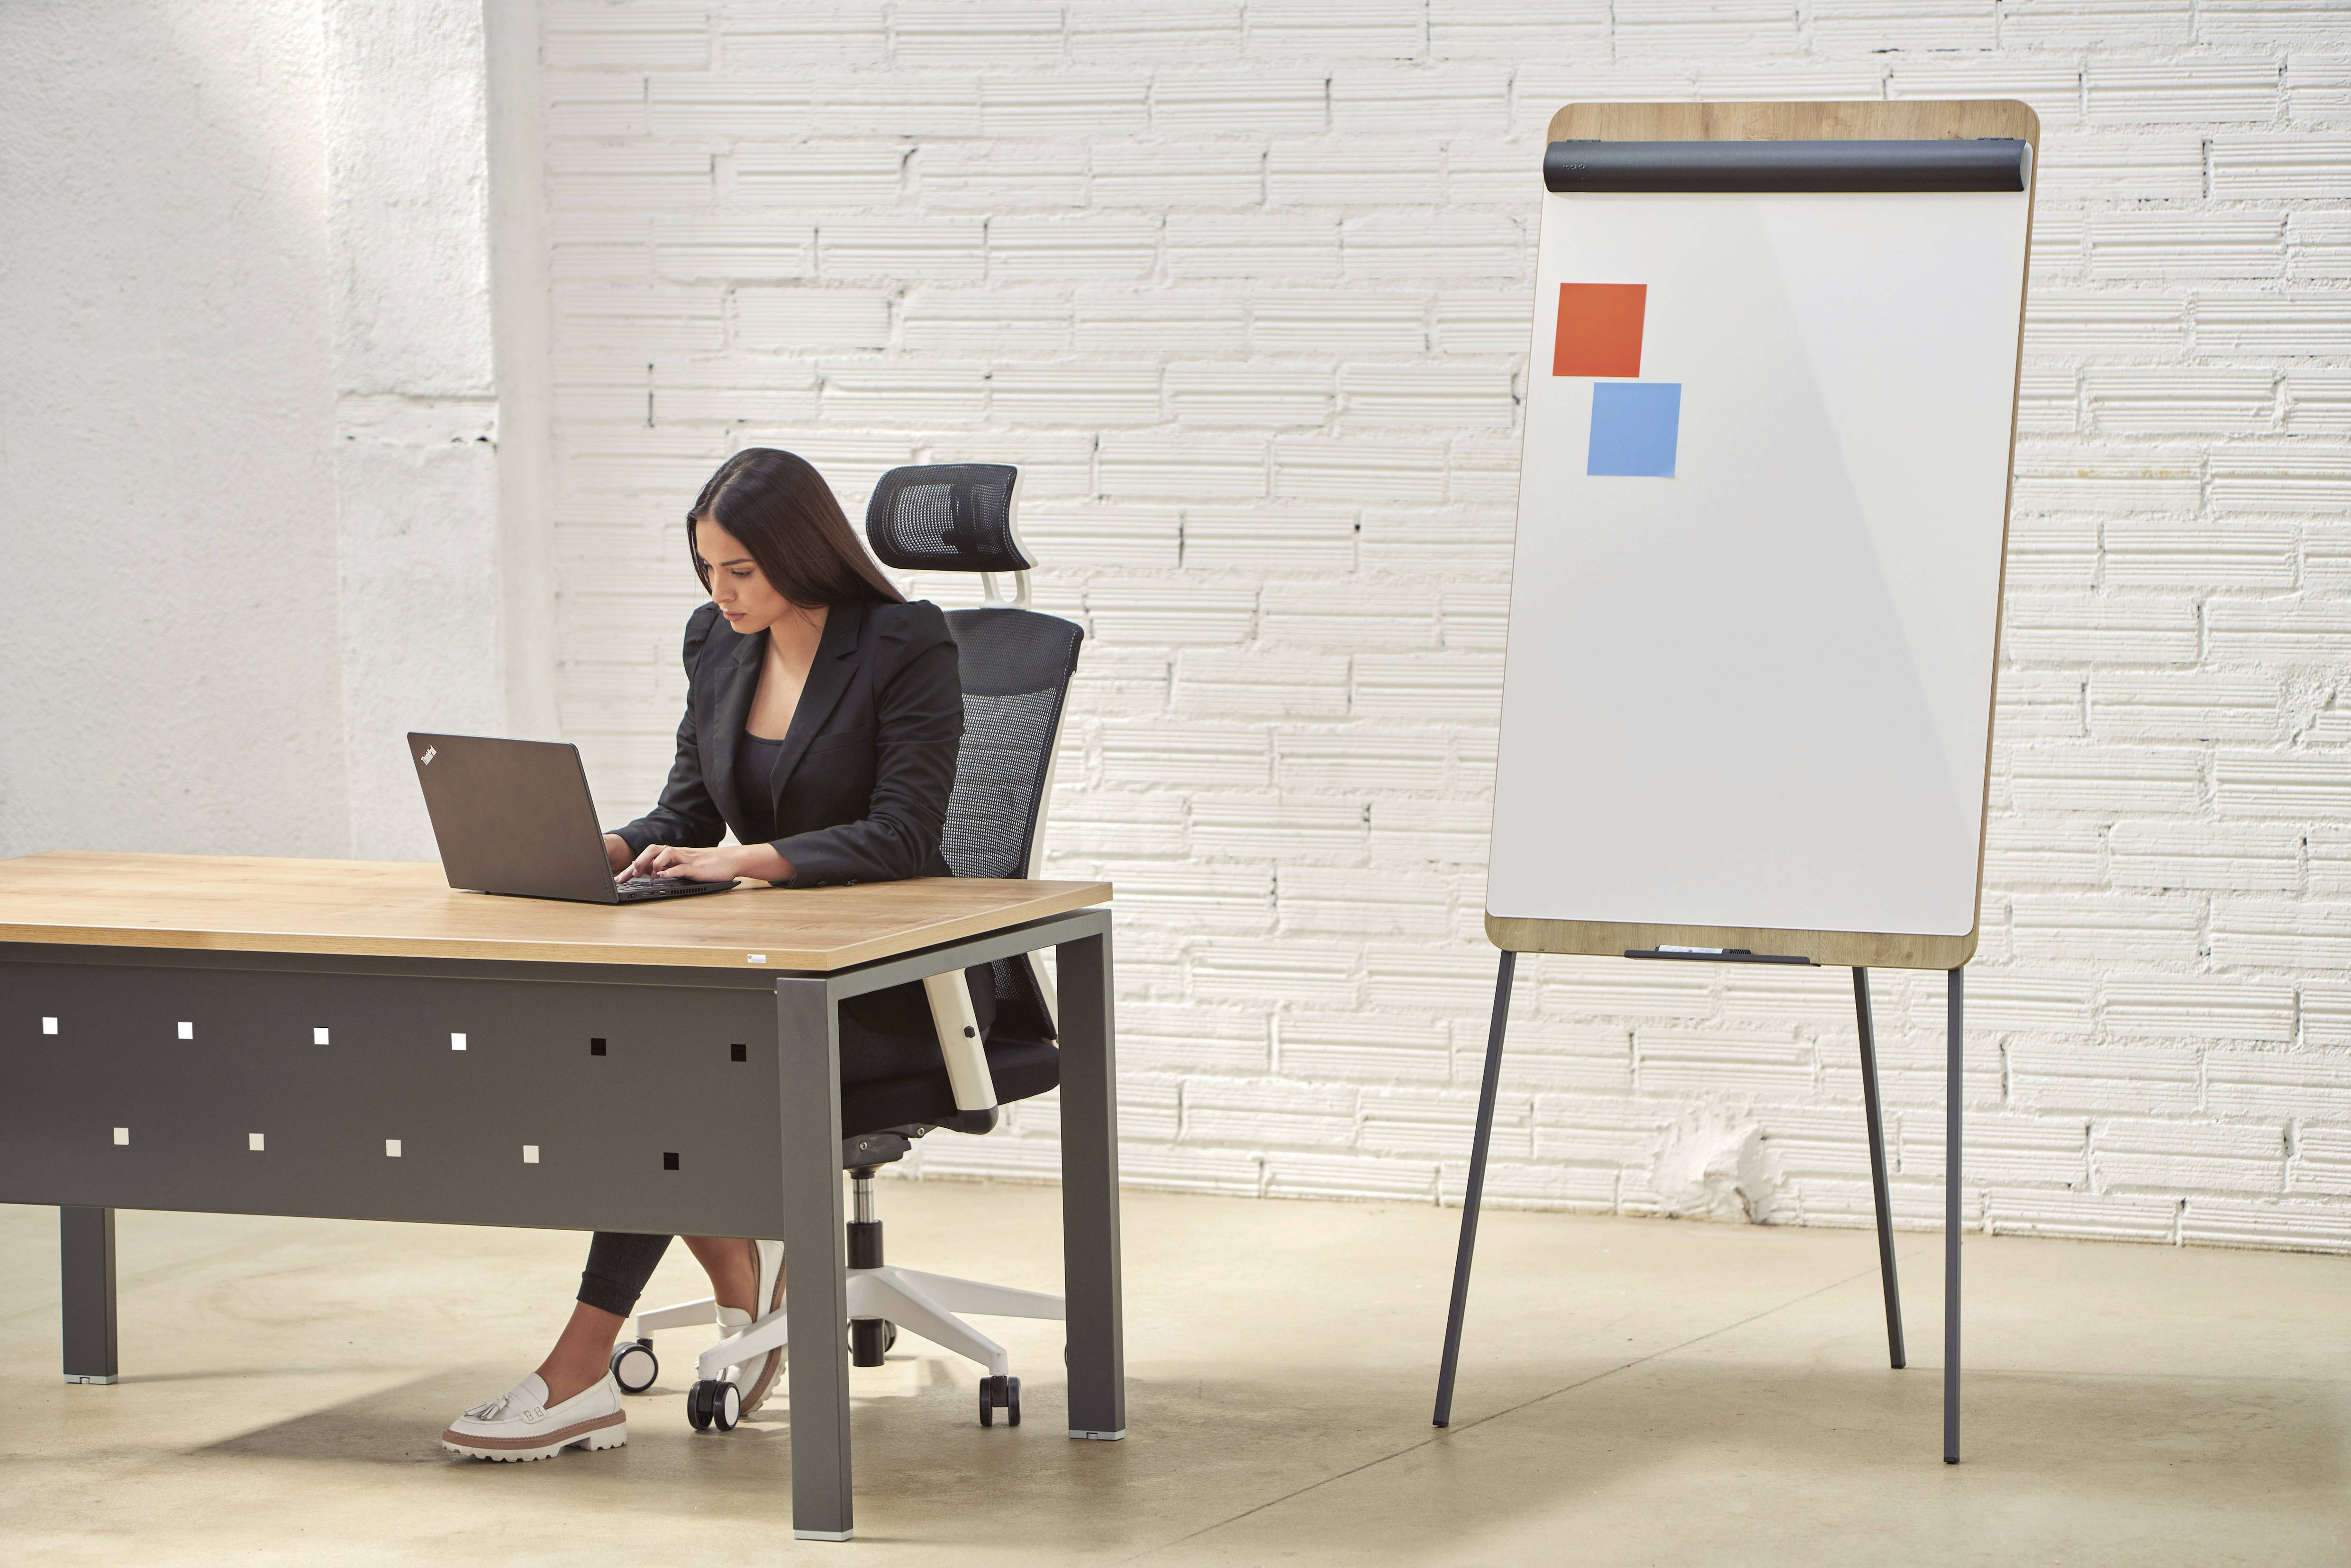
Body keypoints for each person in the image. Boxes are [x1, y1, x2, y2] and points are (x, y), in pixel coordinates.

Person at [441, 447, 990, 1461]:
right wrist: (596, 846)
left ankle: (578, 1370)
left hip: (896, 987)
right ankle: (741, 1278)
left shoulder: (905, 641)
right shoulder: (718, 642)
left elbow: (906, 832)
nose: (719, 592)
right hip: (767, 969)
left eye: (740, 569)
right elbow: (688, 808)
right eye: (705, 568)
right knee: (630, 1054)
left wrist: (742, 861)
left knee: (669, 1078)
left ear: (801, 552)